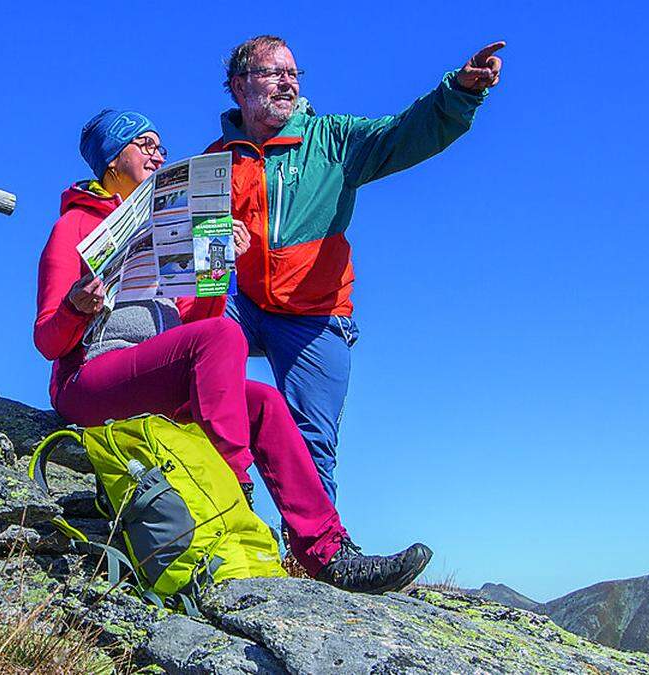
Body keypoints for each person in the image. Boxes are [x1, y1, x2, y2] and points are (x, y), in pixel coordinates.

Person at [34, 108, 432, 593]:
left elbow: (199, 329)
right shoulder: (73, 227)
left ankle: (326, 553)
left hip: (152, 382)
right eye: (146, 144)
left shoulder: (168, 225)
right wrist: (77, 307)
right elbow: (47, 341)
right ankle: (232, 479)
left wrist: (222, 263)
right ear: (115, 160)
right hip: (90, 383)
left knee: (263, 402)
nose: (160, 152)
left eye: (161, 144)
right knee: (226, 337)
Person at [207, 36, 506, 503]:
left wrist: (460, 93)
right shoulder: (214, 162)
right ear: (239, 86)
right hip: (243, 305)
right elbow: (188, 245)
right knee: (188, 349)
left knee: (312, 444)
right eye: (273, 73)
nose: (288, 82)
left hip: (315, 315)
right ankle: (227, 506)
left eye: (294, 73)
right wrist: (218, 244)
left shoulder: (334, 139)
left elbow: (405, 132)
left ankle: (313, 551)